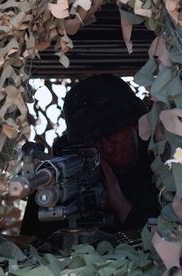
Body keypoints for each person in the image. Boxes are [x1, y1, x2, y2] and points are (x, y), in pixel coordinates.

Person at [20, 74, 160, 237]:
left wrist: (120, 205)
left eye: (113, 133)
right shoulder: (68, 171)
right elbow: (33, 241)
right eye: (95, 141)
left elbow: (167, 245)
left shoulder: (159, 166)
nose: (107, 148)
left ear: (136, 125)